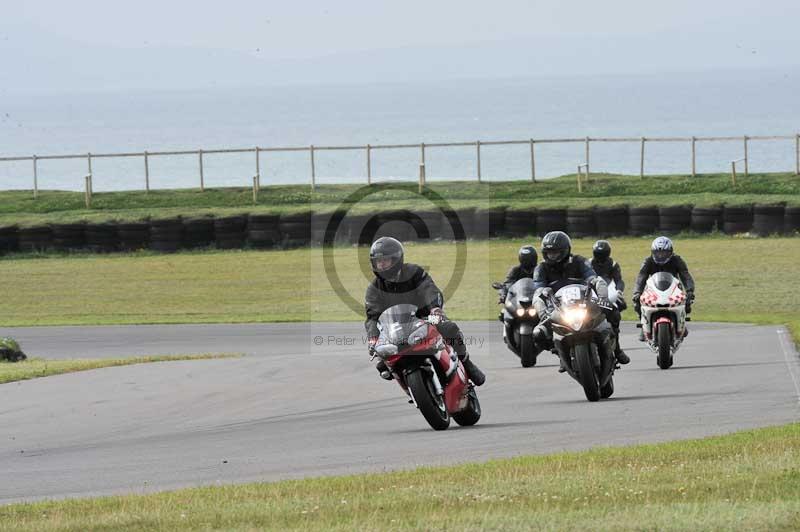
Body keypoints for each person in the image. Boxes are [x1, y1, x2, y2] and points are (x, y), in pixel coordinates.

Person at [365, 236, 485, 385]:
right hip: (394, 328)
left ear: (396, 259)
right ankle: (409, 382)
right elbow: (372, 316)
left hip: (425, 317)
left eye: (385, 260)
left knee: (449, 328)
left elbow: (429, 289)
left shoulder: (414, 272)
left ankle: (466, 362)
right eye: (378, 261)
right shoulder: (374, 289)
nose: (382, 265)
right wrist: (373, 338)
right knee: (381, 363)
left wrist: (435, 308)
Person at [531, 231, 630, 368]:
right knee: (538, 334)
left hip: (583, 302)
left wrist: (603, 298)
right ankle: (559, 352)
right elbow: (538, 292)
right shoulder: (541, 268)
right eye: (549, 253)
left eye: (555, 252)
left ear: (565, 251)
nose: (551, 256)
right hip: (557, 307)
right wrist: (542, 312)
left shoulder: (579, 261)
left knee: (613, 312)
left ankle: (617, 349)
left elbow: (595, 280)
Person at [632, 236, 696, 341]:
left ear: (670, 252)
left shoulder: (677, 260)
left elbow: (686, 276)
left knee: (687, 301)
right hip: (653, 289)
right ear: (653, 252)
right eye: (658, 253)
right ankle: (644, 325)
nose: (661, 255)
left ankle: (681, 323)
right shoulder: (648, 261)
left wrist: (690, 290)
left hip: (673, 289)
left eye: (664, 253)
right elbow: (641, 278)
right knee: (638, 302)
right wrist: (637, 292)